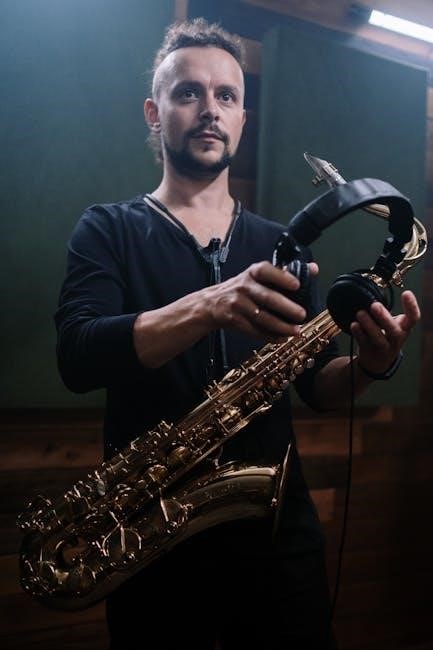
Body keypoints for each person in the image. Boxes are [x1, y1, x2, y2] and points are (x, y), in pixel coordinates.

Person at [55, 18, 421, 650]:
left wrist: (368, 364)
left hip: (278, 540)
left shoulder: (285, 244)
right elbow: (78, 357)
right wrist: (209, 304)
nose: (210, 109)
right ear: (154, 112)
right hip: (153, 543)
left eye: (226, 95)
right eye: (188, 92)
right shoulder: (106, 229)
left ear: (243, 120)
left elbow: (319, 387)